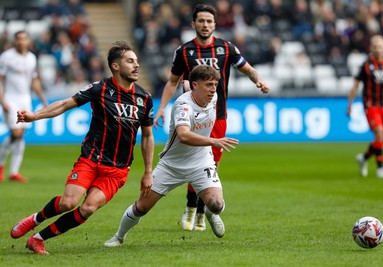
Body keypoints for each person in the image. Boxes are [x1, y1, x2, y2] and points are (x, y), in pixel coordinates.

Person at [10, 41, 154, 255]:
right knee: (69, 203)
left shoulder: (144, 98)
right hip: (91, 160)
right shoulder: (100, 88)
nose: (136, 65)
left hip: (117, 170)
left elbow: (148, 136)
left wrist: (148, 172)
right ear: (115, 66)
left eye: (137, 61)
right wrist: (35, 116)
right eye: (130, 61)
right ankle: (35, 219)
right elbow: (65, 104)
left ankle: (38, 239)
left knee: (87, 208)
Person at [153, 3, 269, 232]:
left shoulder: (226, 48)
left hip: (218, 115)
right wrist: (162, 108)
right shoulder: (184, 52)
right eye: (201, 21)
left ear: (215, 24)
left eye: (209, 21)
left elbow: (246, 68)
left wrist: (258, 80)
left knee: (210, 164)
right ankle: (190, 208)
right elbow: (172, 82)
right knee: (192, 159)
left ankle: (199, 210)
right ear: (193, 24)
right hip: (192, 115)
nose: (205, 25)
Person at [104, 64, 239, 247]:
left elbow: (194, 92)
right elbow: (183, 136)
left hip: (201, 161)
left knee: (215, 203)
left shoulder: (213, 97)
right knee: (142, 206)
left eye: (215, 84)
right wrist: (214, 141)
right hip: (172, 165)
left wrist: (190, 87)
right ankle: (119, 237)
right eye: (208, 84)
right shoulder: (182, 106)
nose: (213, 89)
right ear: (195, 85)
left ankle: (209, 213)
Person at [346, 34, 383, 179]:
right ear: (371, 48)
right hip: (370, 104)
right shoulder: (365, 65)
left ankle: (363, 158)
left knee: (382, 139)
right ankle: (380, 169)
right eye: (375, 46)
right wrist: (350, 105)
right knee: (379, 133)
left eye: (380, 46)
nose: (378, 49)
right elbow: (355, 86)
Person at [0, 30, 47, 183]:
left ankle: (13, 172)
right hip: (10, 99)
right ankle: (1, 166)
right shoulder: (6, 57)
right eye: (18, 39)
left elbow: (34, 81)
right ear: (15, 41)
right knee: (16, 134)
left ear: (28, 41)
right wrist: (2, 100)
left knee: (20, 136)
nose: (21, 42)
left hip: (25, 100)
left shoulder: (31, 58)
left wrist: (43, 100)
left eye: (24, 39)